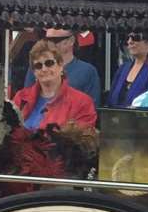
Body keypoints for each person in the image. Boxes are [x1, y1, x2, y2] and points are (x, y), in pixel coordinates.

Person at [9, 39, 99, 181]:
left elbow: (83, 146)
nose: (44, 69)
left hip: (60, 176)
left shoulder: (82, 102)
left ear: (61, 65)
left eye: (49, 63)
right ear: (33, 72)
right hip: (19, 173)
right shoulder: (21, 97)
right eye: (38, 66)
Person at [22, 28, 101, 104]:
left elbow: (91, 108)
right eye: (46, 40)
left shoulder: (87, 71)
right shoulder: (38, 67)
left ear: (71, 41)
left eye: (55, 40)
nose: (49, 44)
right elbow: (26, 100)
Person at [106, 31, 148, 108]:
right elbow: (111, 98)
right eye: (128, 38)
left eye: (136, 38)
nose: (129, 42)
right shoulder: (123, 68)